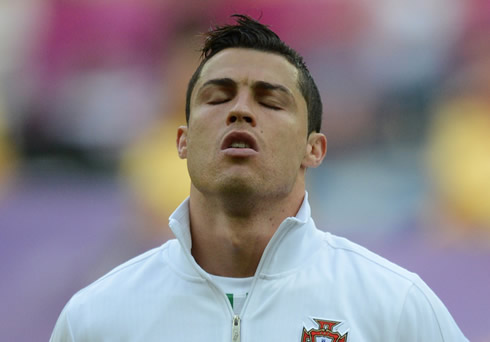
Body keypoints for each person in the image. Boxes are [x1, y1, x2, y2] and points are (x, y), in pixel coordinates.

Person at [50, 15, 467, 341]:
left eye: (270, 100)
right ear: (183, 140)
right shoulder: (97, 318)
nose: (240, 111)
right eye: (217, 96)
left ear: (314, 149)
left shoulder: (393, 306)